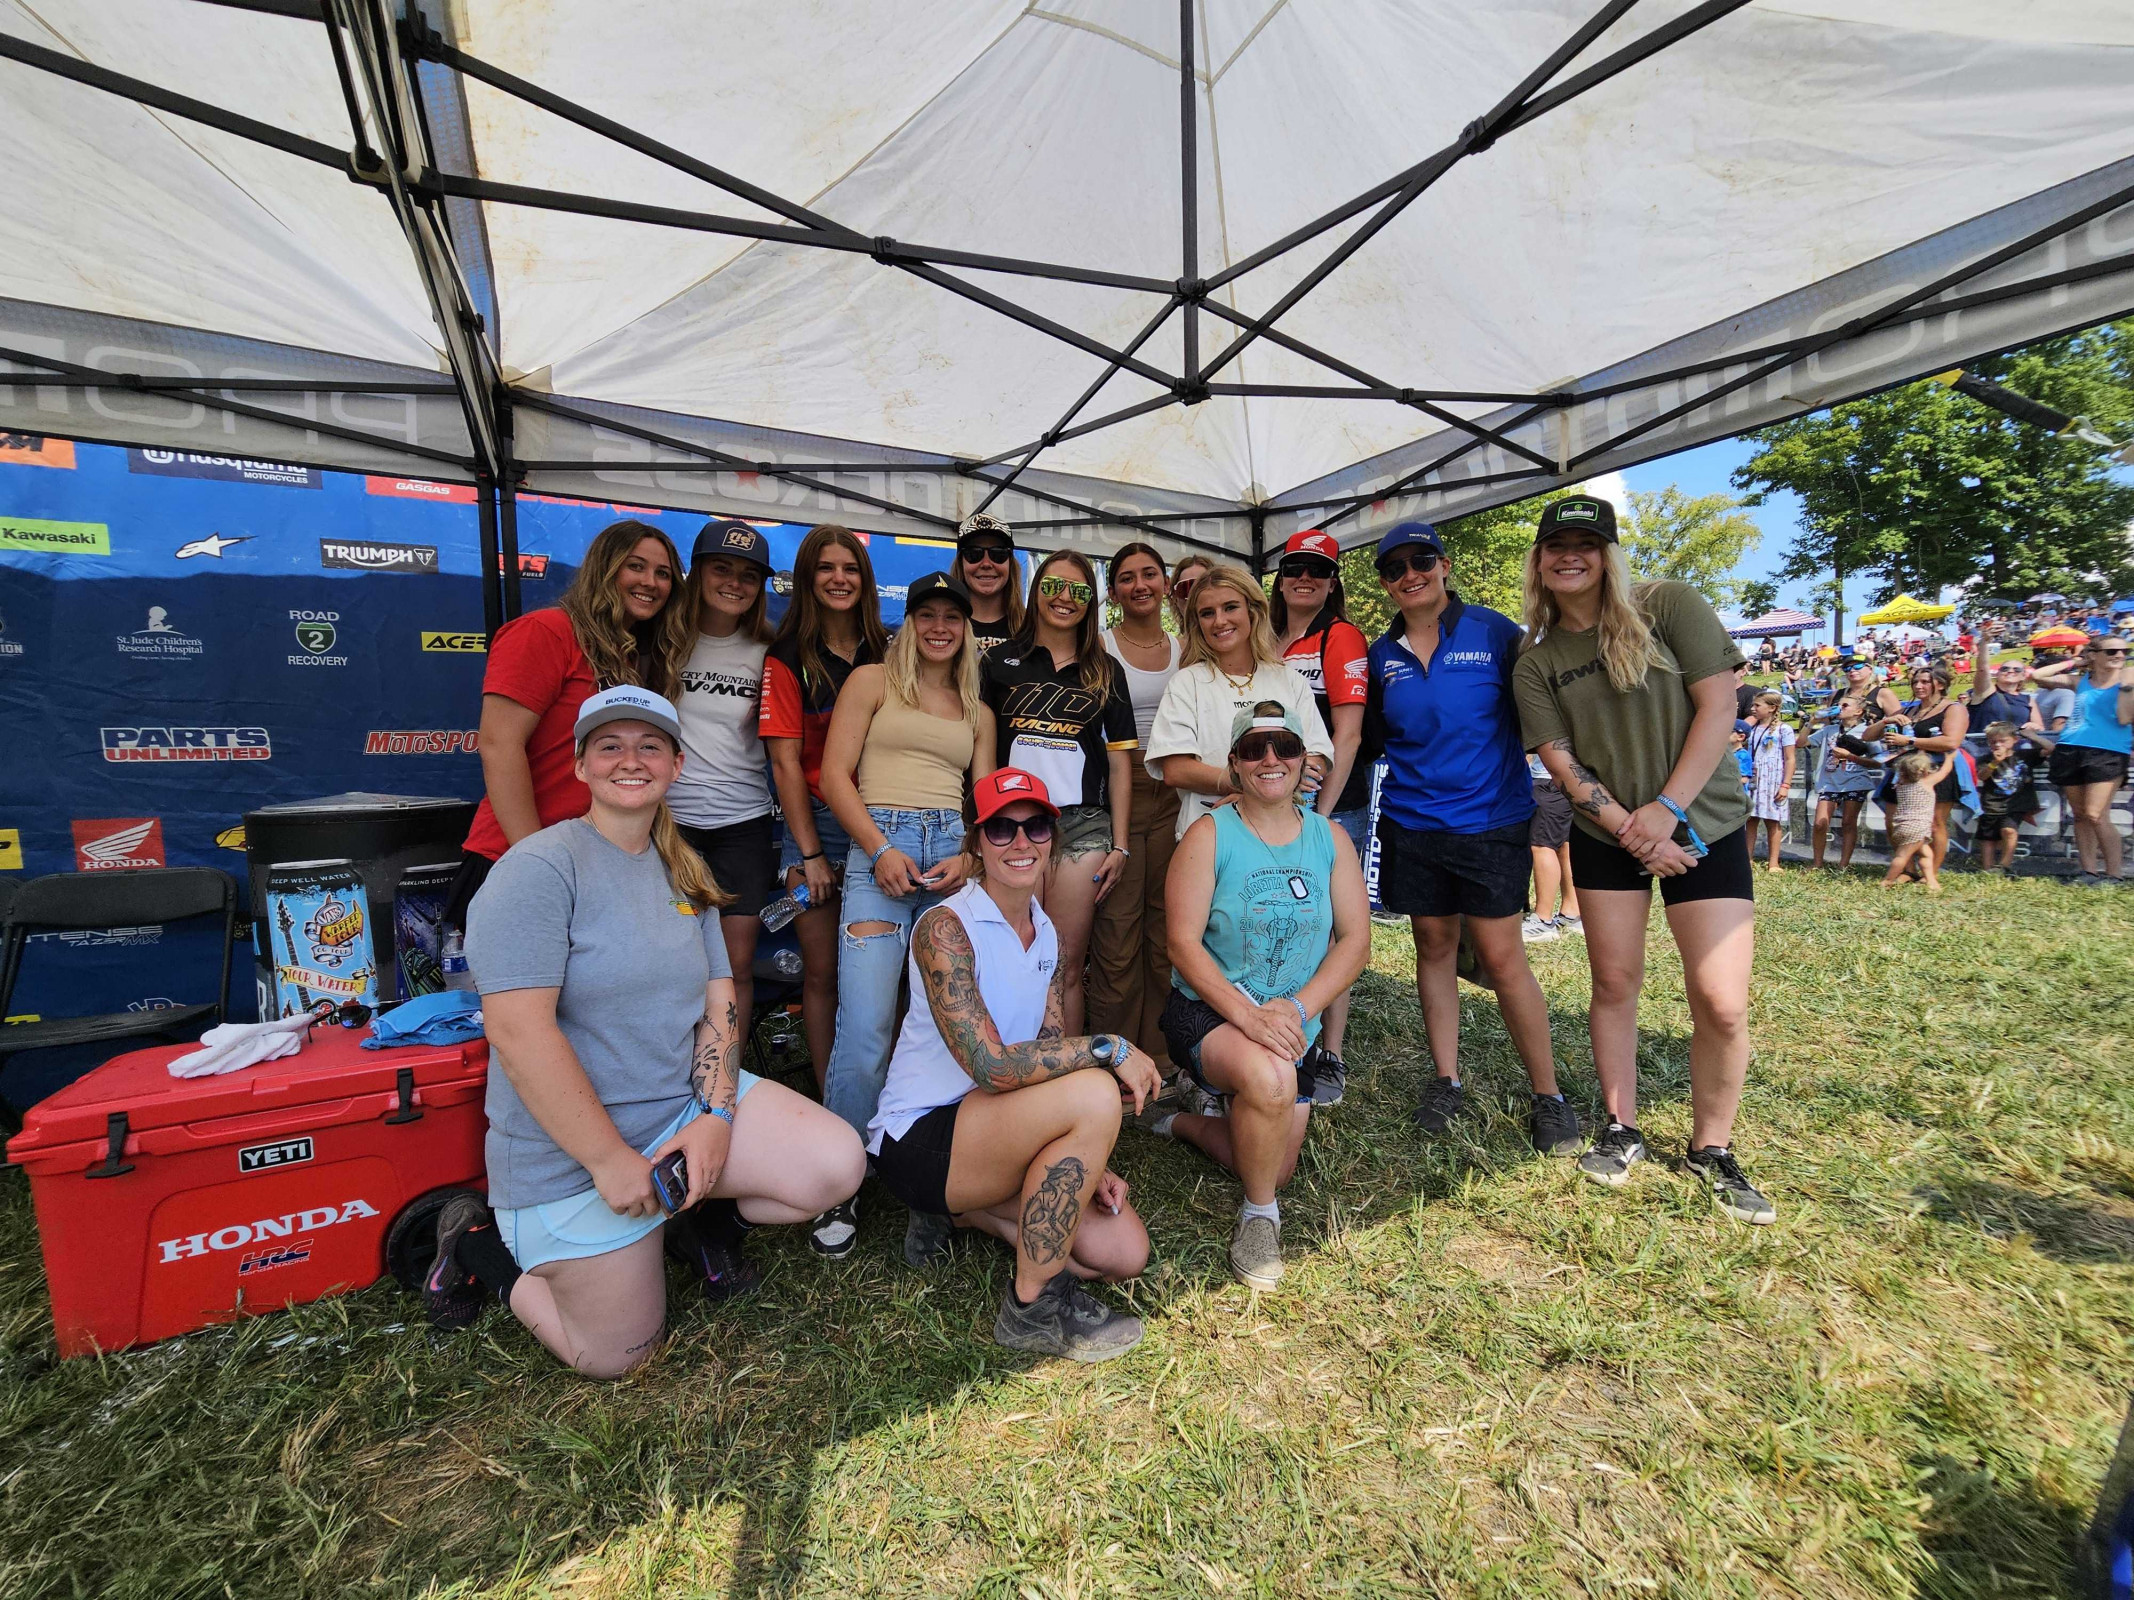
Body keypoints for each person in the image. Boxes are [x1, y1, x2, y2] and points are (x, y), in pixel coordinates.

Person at [429, 687, 866, 1375]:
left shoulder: (681, 866)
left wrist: (717, 1114)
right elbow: (518, 1033)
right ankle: (484, 1250)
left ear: (676, 765)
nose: (630, 760)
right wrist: (609, 1161)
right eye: (610, 745)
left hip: (677, 1113)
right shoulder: (538, 870)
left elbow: (720, 995)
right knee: (615, 1357)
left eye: (649, 746)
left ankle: (678, 1214)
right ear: (580, 766)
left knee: (836, 1165)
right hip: (572, 1156)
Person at [1511, 494, 1774, 1227]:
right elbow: (1560, 763)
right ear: (1539, 559)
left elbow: (1720, 708)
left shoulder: (1670, 605)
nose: (1571, 556)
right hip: (1610, 839)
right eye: (1556, 543)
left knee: (1721, 1001)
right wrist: (1632, 828)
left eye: (1586, 544)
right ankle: (1621, 1126)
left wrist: (1669, 812)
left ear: (1609, 554)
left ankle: (1711, 1146)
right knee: (1614, 983)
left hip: (1704, 826)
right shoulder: (1536, 661)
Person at [869, 768, 1159, 1356]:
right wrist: (1110, 1048)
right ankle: (1032, 1307)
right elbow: (992, 1066)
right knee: (1098, 1091)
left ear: (1053, 837)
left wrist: (1087, 1158)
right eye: (1001, 829)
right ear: (976, 843)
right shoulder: (946, 926)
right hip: (923, 1136)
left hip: (997, 1128)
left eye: (1035, 827)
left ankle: (958, 1215)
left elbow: (1049, 1055)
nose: (1020, 842)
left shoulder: (1046, 932)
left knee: (1124, 1254)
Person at [1364, 521, 1581, 1157]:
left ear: (1444, 564)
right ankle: (1445, 1079)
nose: (1410, 573)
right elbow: (1375, 736)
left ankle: (1549, 1094)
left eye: (1420, 560)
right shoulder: (1382, 655)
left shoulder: (1496, 633)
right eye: (1395, 567)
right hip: (1413, 823)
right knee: (1432, 945)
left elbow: (1536, 718)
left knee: (1501, 954)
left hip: (1490, 823)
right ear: (1385, 583)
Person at [1143, 705, 1369, 1289]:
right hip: (1209, 1009)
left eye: (1284, 746)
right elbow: (1182, 944)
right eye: (1254, 749)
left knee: (1276, 1162)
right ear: (1235, 765)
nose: (1271, 759)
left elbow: (1356, 942)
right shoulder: (1209, 834)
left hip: (1291, 1020)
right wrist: (1248, 1016)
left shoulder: (1330, 838)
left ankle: (1187, 1123)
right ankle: (1259, 1217)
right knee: (1271, 1082)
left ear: (1305, 762)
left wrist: (1295, 1009)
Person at [815, 572, 998, 1254]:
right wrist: (879, 848)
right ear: (910, 620)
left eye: (954, 615)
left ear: (966, 627)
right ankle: (838, 1185)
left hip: (949, 857)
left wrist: (973, 861)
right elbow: (834, 775)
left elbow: (986, 803)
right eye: (929, 614)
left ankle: (939, 1181)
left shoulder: (977, 707)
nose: (942, 626)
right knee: (865, 1027)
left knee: (948, 1026)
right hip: (879, 859)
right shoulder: (870, 682)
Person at [449, 520, 693, 928]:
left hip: (595, 863)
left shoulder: (633, 657)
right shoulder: (546, 632)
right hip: (517, 857)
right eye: (636, 566)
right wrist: (533, 860)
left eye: (663, 573)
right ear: (605, 568)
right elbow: (498, 744)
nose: (651, 582)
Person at [980, 549, 1135, 1033]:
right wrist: (982, 820)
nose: (1064, 598)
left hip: (1083, 827)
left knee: (1064, 965)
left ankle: (1062, 1082)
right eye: (1052, 587)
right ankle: (1005, 1073)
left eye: (1079, 590)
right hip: (1012, 823)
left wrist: (1121, 843)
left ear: (1091, 601)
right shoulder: (997, 661)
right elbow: (982, 748)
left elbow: (1120, 761)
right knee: (1005, 959)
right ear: (1034, 593)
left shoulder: (1106, 670)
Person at [760, 526, 889, 1088]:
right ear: (807, 579)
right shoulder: (786, 656)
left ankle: (884, 1093)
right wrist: (810, 853)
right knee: (823, 975)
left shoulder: (888, 650)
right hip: (817, 830)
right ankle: (830, 1094)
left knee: (887, 974)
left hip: (884, 823)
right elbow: (786, 764)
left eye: (851, 568)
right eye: (826, 568)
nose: (840, 579)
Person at [1269, 528, 1373, 1093]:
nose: (1303, 578)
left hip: (1330, 805)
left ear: (1333, 581)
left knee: (1333, 928)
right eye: (1293, 568)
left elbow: (1349, 736)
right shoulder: (1270, 638)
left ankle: (1329, 1053)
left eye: (1317, 570)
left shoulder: (1342, 636)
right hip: (1275, 802)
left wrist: (1318, 814)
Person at [669, 520, 778, 1042]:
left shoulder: (768, 651)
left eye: (749, 575)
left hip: (744, 827)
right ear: (697, 573)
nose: (734, 582)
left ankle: (726, 1084)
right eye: (722, 568)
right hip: (668, 827)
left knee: (735, 968)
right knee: (668, 963)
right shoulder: (662, 643)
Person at [1146, 564, 1333, 846]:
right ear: (1197, 623)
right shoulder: (1187, 683)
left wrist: (1253, 794)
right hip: (1210, 838)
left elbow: (1316, 759)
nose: (1219, 621)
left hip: (1286, 837)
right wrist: (1255, 786)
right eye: (1207, 613)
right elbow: (1175, 769)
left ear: (1253, 610)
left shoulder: (1289, 680)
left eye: (1230, 607)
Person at [1090, 542, 1182, 1077]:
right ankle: (1112, 1057)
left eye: (1150, 574)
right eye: (1126, 577)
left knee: (1166, 930)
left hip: (1174, 792)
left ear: (1166, 583)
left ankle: (1163, 1056)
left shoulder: (1186, 647)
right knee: (1117, 934)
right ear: (1113, 591)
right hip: (1118, 794)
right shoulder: (1099, 646)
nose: (1140, 585)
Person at [2031, 636, 2134, 883]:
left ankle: (2114, 874)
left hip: (2108, 750)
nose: (2119, 655)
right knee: (2079, 814)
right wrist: (2076, 660)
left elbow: (2124, 718)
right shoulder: (2081, 682)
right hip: (2070, 748)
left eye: (2124, 650)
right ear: (2095, 654)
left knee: (2096, 813)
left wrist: (2127, 684)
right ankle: (2088, 870)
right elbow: (2037, 675)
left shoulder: (2128, 678)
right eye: (2111, 651)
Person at [1871, 664, 1968, 871]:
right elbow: (1867, 736)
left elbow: (1951, 742)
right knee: (1894, 822)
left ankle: (1930, 874)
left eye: (1925, 681)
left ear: (1940, 685)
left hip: (1935, 770)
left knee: (1934, 823)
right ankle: (1908, 870)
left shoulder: (1953, 708)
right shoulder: (1908, 709)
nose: (1918, 685)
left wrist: (1909, 740)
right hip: (1901, 771)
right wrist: (1886, 721)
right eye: (1915, 681)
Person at [1809, 696, 1881, 869]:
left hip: (1855, 782)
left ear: (1858, 711)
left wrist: (1850, 757)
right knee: (1820, 823)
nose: (1839, 708)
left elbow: (1878, 761)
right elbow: (1802, 742)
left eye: (1845, 705)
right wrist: (1810, 722)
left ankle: (1843, 865)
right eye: (1838, 705)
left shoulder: (1867, 731)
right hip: (1829, 782)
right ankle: (1817, 863)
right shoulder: (1830, 729)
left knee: (1848, 822)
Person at [1524, 753, 1581, 942]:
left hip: (1549, 779)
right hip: (1574, 781)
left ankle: (1543, 920)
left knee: (1542, 847)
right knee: (1564, 846)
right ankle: (1572, 913)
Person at [950, 511, 1024, 655]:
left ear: (1010, 563)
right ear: (961, 562)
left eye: (998, 554)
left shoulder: (1031, 627)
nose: (986, 564)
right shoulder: (942, 627)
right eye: (974, 554)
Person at [1880, 749, 1952, 892]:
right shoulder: (1925, 783)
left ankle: (1931, 881)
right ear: (1923, 772)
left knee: (1927, 854)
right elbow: (1944, 772)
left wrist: (1918, 756)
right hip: (1917, 827)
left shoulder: (1900, 785)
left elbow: (1908, 769)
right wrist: (1949, 758)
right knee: (1902, 856)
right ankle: (1888, 880)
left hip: (1902, 826)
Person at [1975, 722, 2040, 874]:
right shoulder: (1985, 758)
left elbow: (2049, 749)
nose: (1997, 744)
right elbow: (1982, 776)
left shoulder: (2024, 756)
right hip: (1991, 804)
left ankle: (2004, 866)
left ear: (2014, 740)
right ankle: (1987, 869)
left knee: (2008, 831)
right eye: (1993, 742)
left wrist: (2032, 736)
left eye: (2002, 740)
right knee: (1988, 837)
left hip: (2015, 804)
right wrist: (1995, 763)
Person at [1743, 691, 1797, 872]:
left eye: (1757, 706)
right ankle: (1747, 858)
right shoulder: (1751, 729)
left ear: (1772, 708)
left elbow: (1790, 758)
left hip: (1773, 780)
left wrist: (1785, 784)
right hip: (1754, 779)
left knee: (1772, 821)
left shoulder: (1784, 729)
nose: (1753, 709)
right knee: (1750, 819)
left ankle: (1774, 862)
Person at [1168, 554, 1214, 633]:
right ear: (1175, 598)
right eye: (1185, 588)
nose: (1194, 597)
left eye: (1202, 587)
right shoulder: (1172, 645)